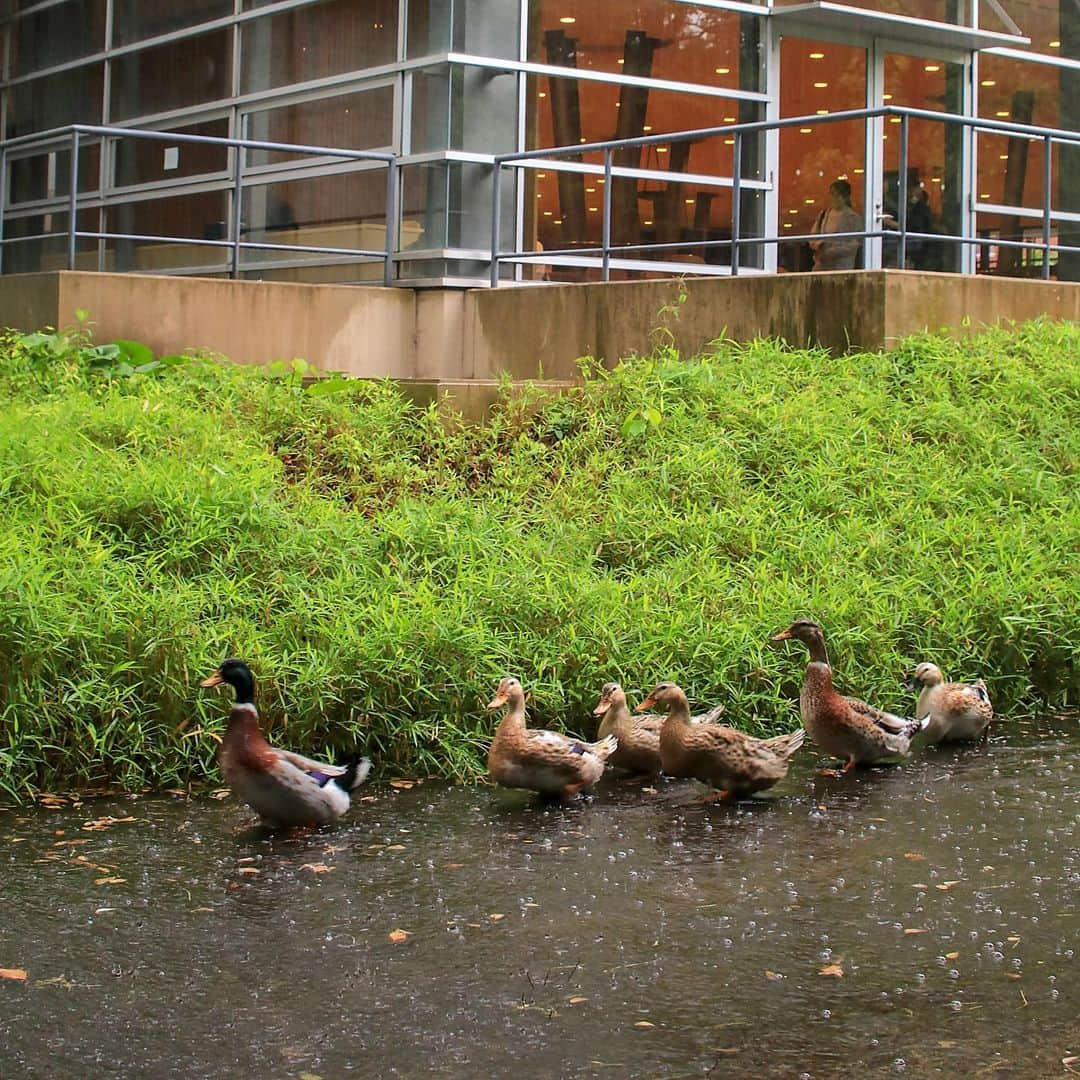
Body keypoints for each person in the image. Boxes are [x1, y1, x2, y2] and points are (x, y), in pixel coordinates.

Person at [809, 178, 863, 270]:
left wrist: (832, 252)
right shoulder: (823, 215)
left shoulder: (853, 218)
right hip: (822, 265)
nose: (834, 198)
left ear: (845, 197)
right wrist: (818, 245)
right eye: (832, 194)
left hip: (841, 266)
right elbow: (812, 237)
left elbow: (854, 244)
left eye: (837, 195)